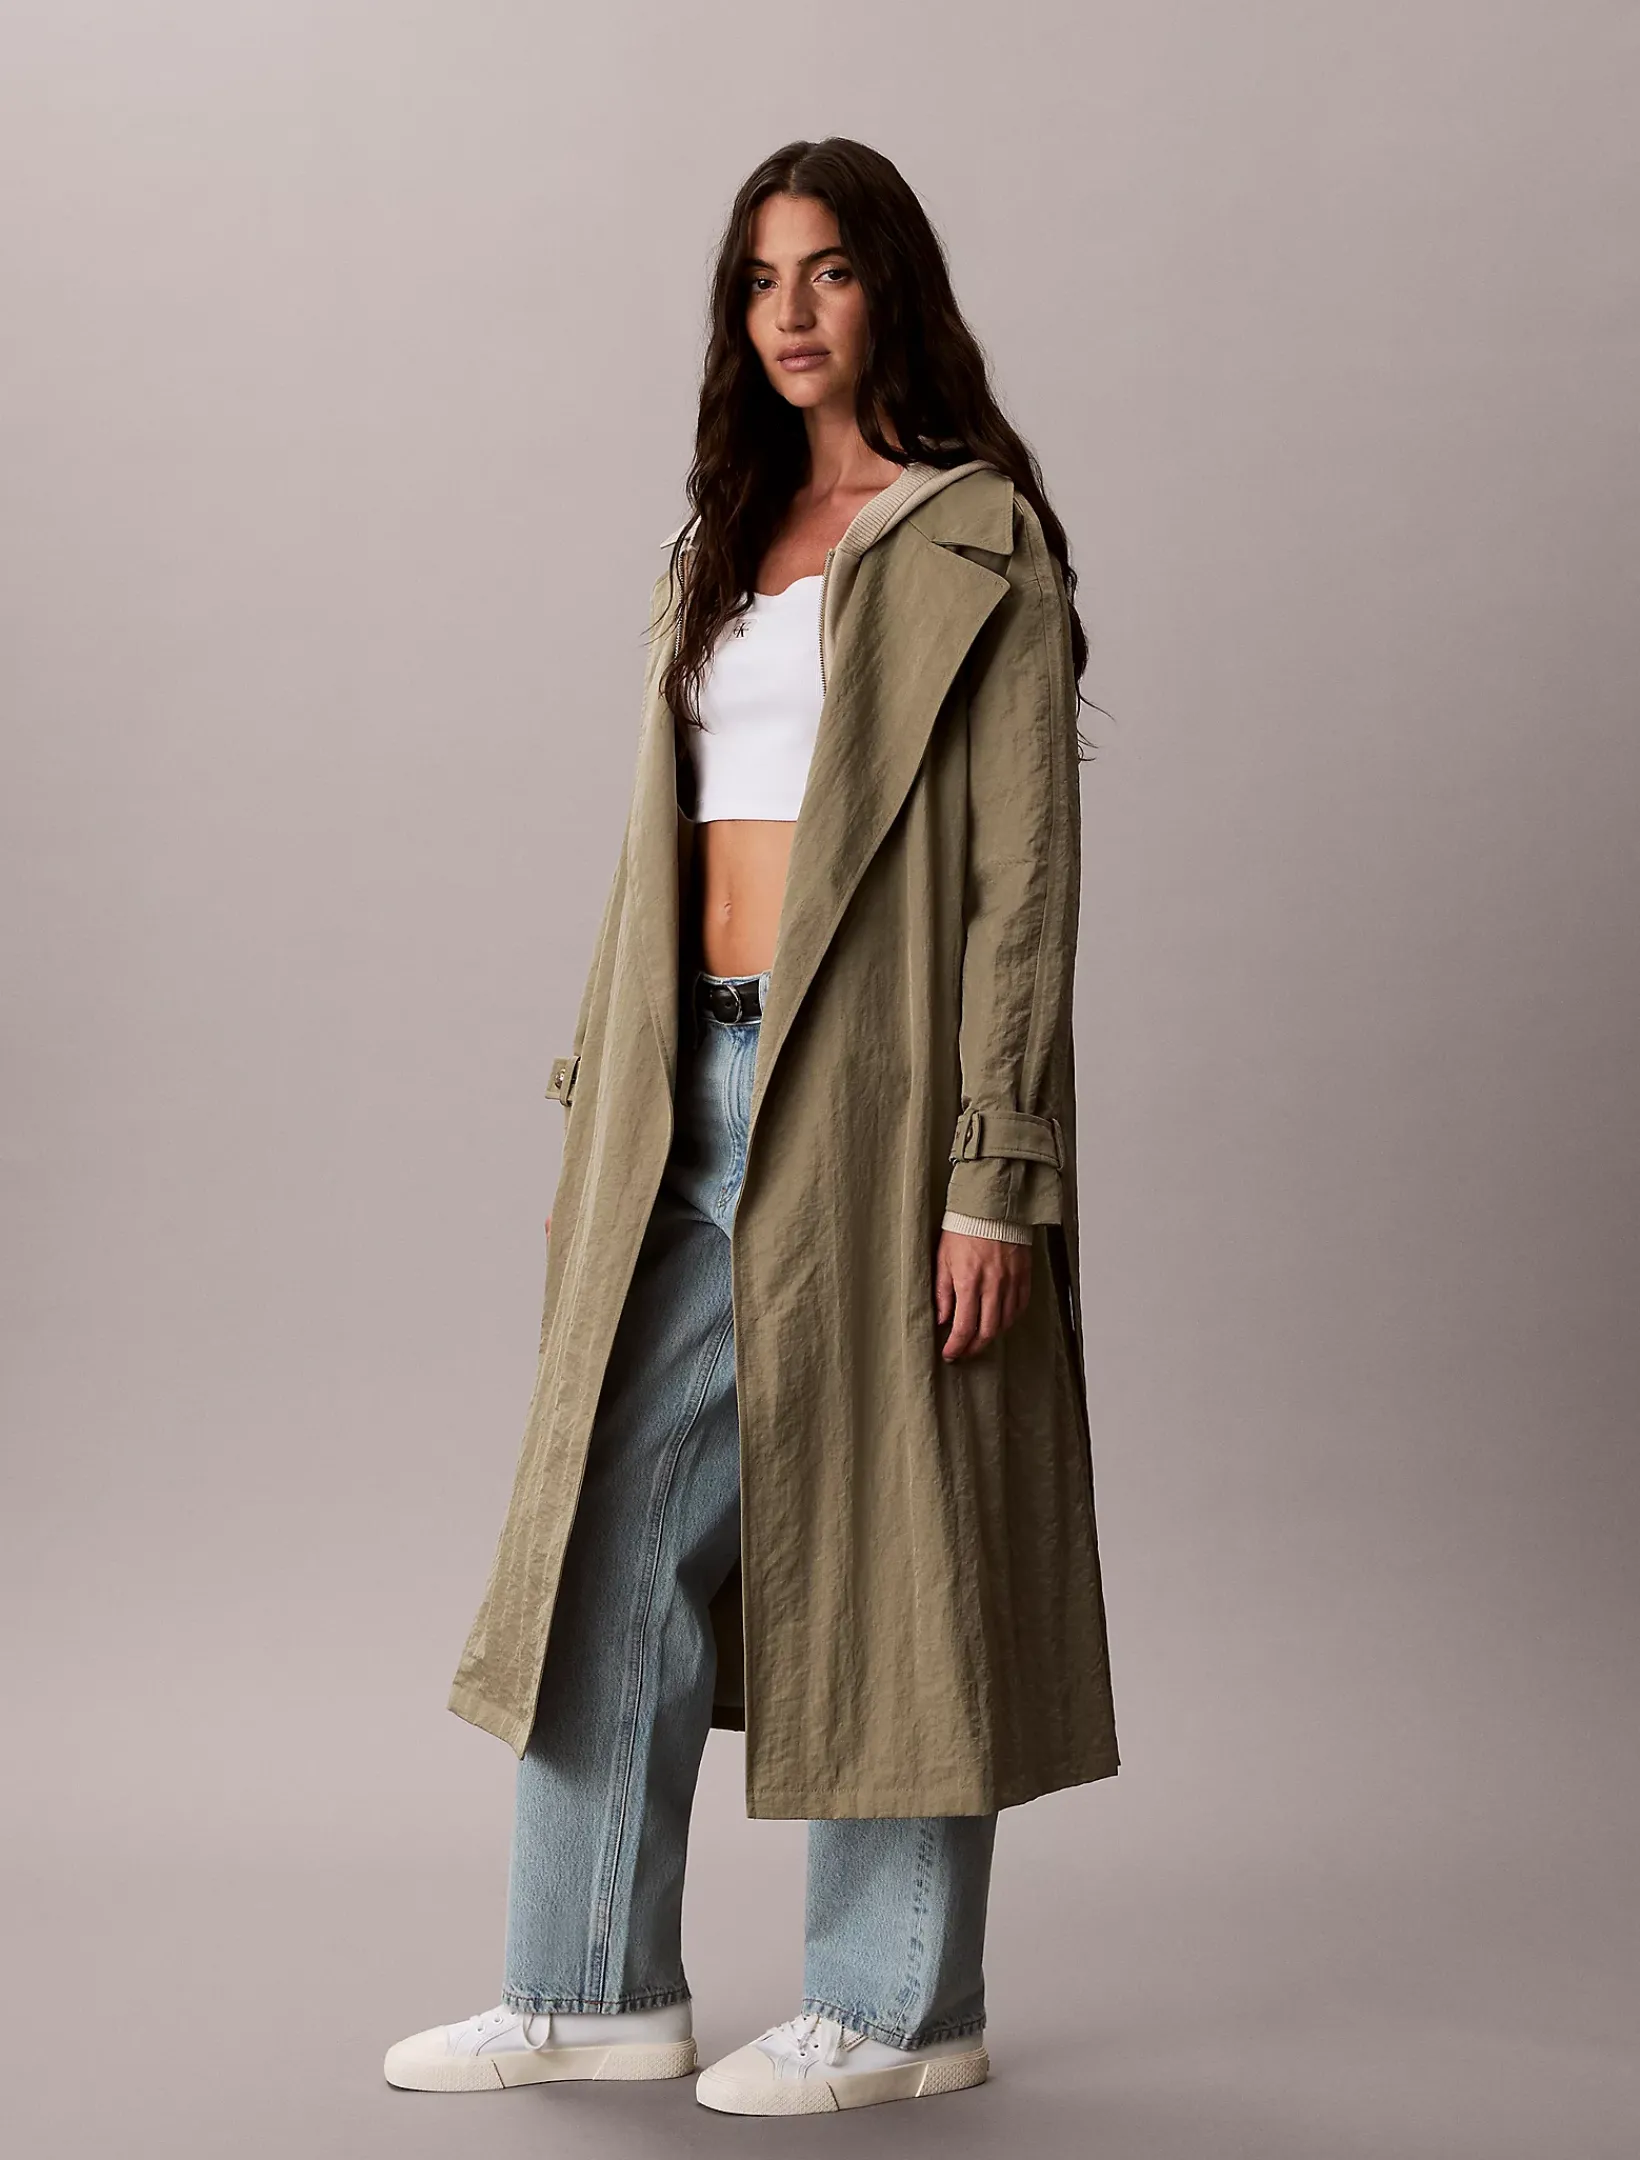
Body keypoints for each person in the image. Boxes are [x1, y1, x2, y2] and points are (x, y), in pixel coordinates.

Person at [385, 134, 1119, 2117]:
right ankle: (586, 1986)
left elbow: (1022, 894)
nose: (788, 313)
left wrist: (995, 1180)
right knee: (608, 1529)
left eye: (828, 272)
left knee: (898, 1534)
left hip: (873, 1103)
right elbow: (650, 864)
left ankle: (899, 2010)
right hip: (684, 1089)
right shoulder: (711, 537)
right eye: (758, 279)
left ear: (893, 290)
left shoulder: (975, 542)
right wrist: (596, 1133)